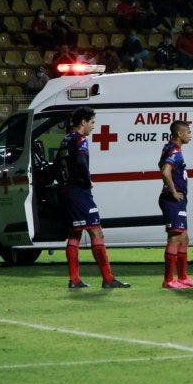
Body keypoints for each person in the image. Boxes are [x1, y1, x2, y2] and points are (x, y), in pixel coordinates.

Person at [59, 107, 130, 289]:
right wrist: (87, 180)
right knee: (96, 232)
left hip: (68, 190)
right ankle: (108, 279)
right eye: (92, 122)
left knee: (74, 234)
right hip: (79, 192)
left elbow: (58, 164)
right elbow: (81, 161)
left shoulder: (66, 139)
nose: (93, 126)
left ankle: (74, 280)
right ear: (83, 122)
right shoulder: (80, 139)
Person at [158, 120, 193, 289]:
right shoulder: (175, 151)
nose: (190, 135)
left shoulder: (169, 147)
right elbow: (165, 171)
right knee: (175, 237)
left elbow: (160, 165)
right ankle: (168, 280)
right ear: (179, 133)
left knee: (184, 238)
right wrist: (173, 191)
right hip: (172, 200)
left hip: (179, 200)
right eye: (188, 132)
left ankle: (182, 277)